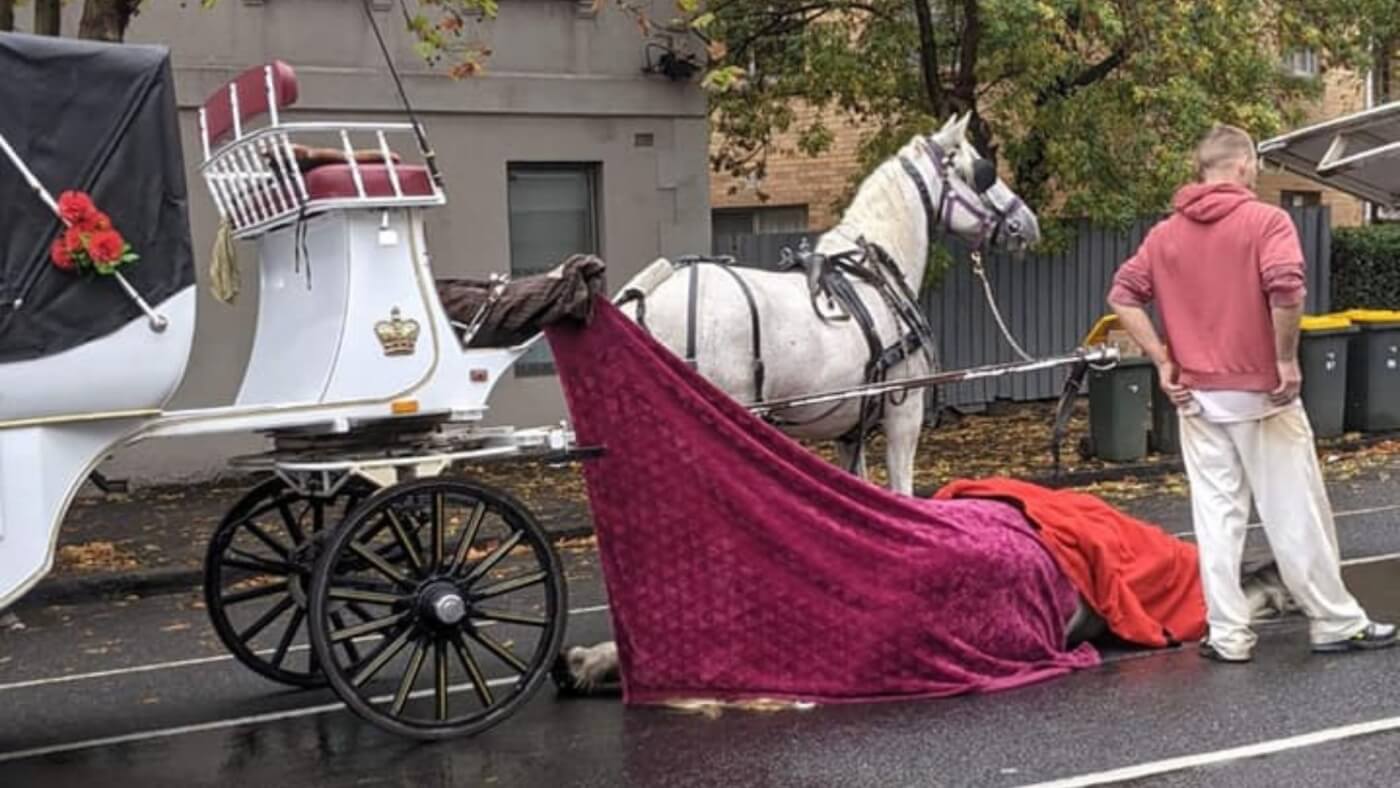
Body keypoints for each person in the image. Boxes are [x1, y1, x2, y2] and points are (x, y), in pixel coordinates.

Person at [1106, 123, 1397, 663]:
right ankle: (1334, 620)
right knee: (1294, 508)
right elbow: (1286, 286)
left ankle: (1228, 635)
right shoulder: (1267, 221)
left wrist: (1162, 358)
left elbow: (1122, 295)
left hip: (1196, 396)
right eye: (1256, 166)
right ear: (1242, 165)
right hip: (1262, 393)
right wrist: (1285, 359)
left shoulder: (1164, 235)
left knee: (1216, 517)